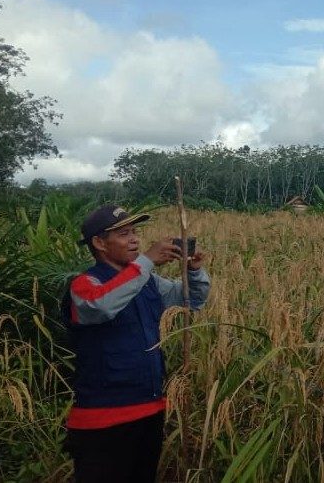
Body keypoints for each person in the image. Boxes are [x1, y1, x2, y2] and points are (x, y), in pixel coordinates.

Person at [61, 204, 211, 482]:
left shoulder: (147, 281)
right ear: (99, 243)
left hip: (150, 411)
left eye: (134, 232)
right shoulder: (84, 284)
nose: (134, 240)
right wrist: (147, 261)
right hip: (102, 420)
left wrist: (193, 271)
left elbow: (189, 300)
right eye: (123, 234)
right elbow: (101, 305)